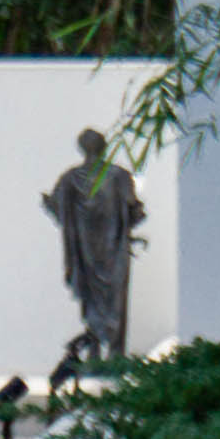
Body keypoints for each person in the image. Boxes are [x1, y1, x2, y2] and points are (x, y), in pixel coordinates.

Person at [40, 129, 145, 383]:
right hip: (114, 250)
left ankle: (96, 351)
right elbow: (136, 211)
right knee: (115, 299)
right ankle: (115, 354)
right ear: (105, 147)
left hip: (85, 253)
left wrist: (49, 205)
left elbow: (56, 207)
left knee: (91, 299)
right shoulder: (119, 176)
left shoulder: (69, 179)